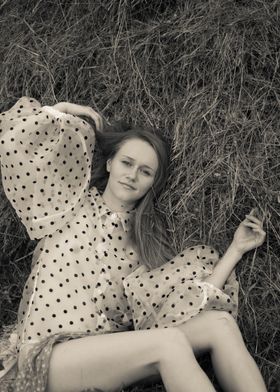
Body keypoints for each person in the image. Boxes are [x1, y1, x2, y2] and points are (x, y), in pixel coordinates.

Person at [0, 97, 267, 392]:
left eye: (145, 171)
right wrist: (61, 110)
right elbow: (15, 145)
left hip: (109, 359)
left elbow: (181, 309)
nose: (132, 175)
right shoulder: (67, 204)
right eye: (127, 163)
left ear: (153, 182)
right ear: (111, 162)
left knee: (220, 324)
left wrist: (236, 249)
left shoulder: (141, 250)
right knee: (169, 343)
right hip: (46, 358)